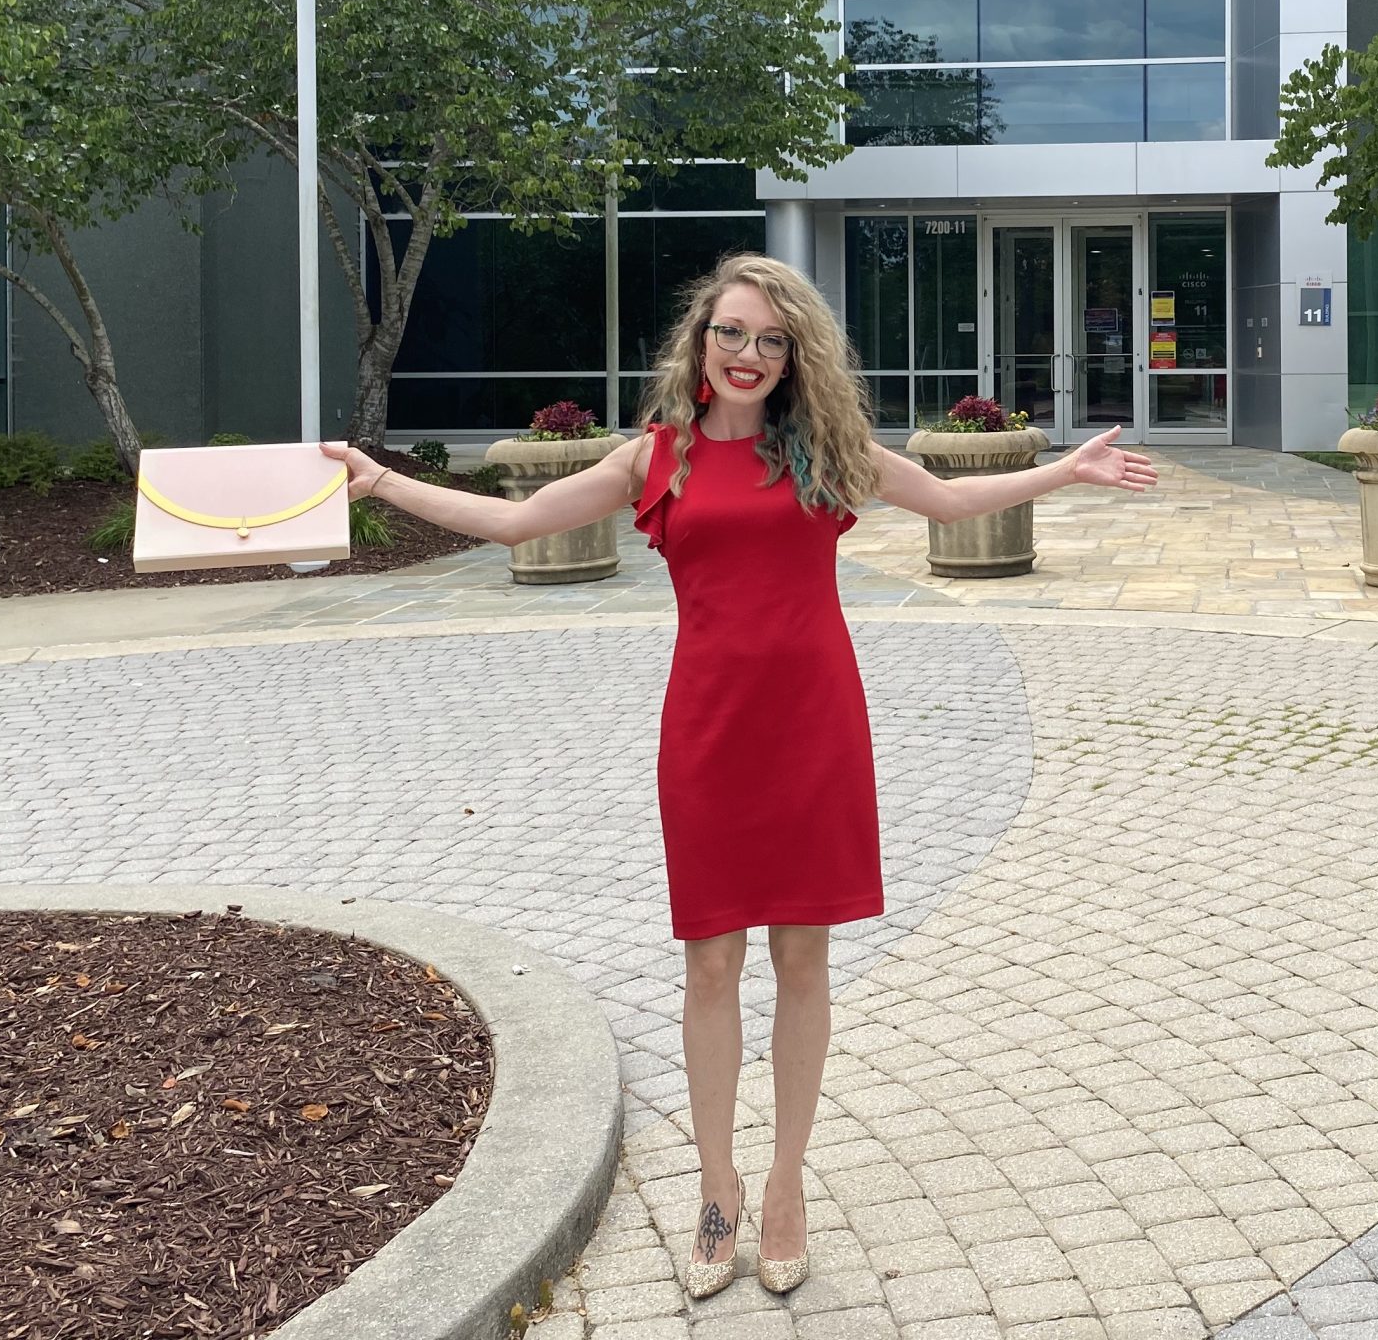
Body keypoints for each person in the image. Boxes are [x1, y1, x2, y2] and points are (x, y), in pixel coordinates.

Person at [321, 251, 1155, 1300]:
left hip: (815, 731)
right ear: (698, 343)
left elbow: (945, 500)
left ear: (792, 354)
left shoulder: (823, 450)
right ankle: (716, 1185)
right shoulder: (652, 459)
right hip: (708, 737)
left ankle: (786, 1184)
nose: (749, 354)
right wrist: (381, 479)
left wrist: (1063, 472)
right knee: (710, 967)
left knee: (802, 964)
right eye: (732, 333)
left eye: (770, 339)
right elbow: (513, 521)